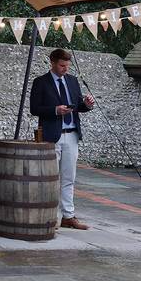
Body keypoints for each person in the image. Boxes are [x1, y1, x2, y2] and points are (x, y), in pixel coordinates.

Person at [29, 48, 95, 230]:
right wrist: (55, 110)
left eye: (67, 66)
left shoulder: (72, 81)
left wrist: (87, 105)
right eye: (61, 65)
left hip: (72, 133)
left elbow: (78, 106)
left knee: (69, 177)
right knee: (49, 178)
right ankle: (48, 216)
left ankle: (68, 215)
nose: (65, 69)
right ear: (52, 62)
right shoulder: (40, 82)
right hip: (52, 135)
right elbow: (34, 108)